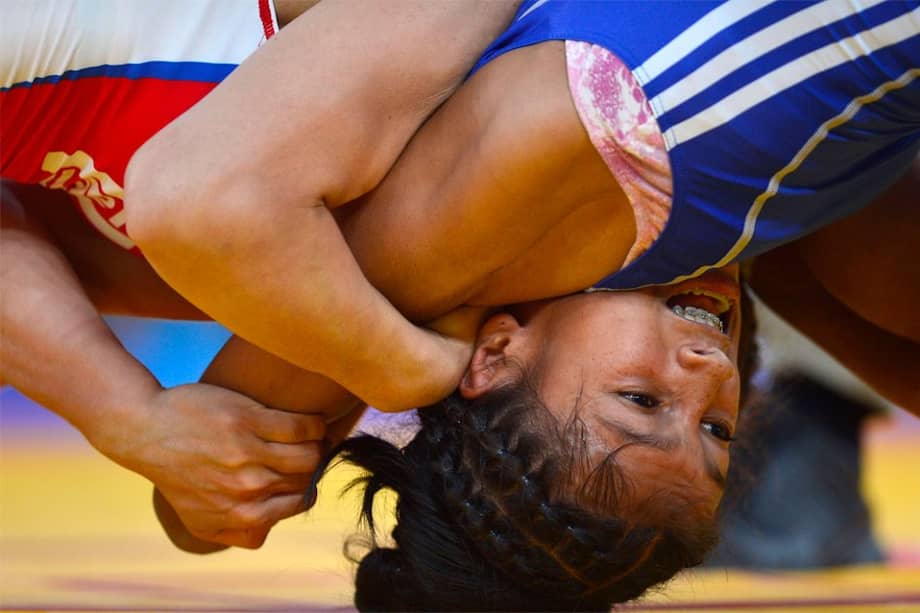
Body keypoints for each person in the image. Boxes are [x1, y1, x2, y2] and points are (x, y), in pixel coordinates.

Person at [3, 0, 918, 608]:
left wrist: (395, 368)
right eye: (718, 432)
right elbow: (214, 494)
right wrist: (130, 416)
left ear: (496, 356)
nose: (711, 375)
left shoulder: (432, 223)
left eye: (642, 402)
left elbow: (197, 205)